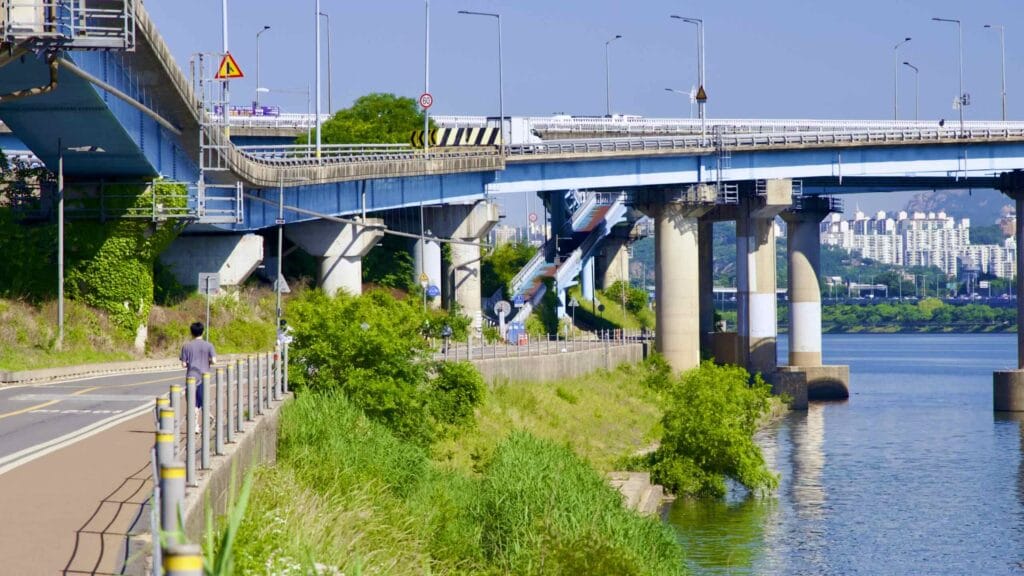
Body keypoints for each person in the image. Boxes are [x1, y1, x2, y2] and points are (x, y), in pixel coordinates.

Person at [180, 322, 216, 433]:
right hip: (204, 377)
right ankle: (206, 418)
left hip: (191, 377)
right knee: (202, 400)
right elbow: (214, 361)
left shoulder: (186, 346)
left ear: (191, 333)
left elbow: (184, 364)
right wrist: (208, 361)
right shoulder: (209, 345)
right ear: (203, 331)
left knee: (192, 401)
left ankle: (195, 425)